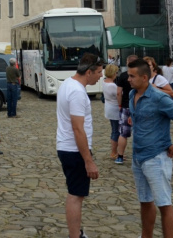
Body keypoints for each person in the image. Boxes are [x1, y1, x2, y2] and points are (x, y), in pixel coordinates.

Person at [128, 58, 173, 238]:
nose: (129, 79)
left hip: (156, 157)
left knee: (164, 203)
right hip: (138, 157)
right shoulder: (133, 95)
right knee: (145, 201)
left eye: (132, 76)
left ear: (144, 77)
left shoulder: (159, 97)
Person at [56, 53, 103, 238]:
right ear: (89, 72)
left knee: (75, 193)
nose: (101, 76)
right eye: (98, 72)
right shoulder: (76, 91)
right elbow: (78, 128)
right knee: (76, 195)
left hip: (67, 147)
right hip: (74, 149)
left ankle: (76, 233)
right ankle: (75, 235)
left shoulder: (68, 84)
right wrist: (88, 160)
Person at [114, 55, 138, 165]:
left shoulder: (123, 76)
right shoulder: (140, 76)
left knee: (123, 133)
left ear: (127, 63)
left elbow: (118, 92)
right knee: (140, 132)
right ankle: (137, 155)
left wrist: (120, 105)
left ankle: (120, 156)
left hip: (126, 106)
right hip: (138, 106)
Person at [102, 64, 120, 159]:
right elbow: (118, 95)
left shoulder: (104, 82)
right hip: (114, 109)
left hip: (109, 107)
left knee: (114, 130)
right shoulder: (112, 85)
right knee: (116, 132)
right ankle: (114, 152)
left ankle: (114, 151)